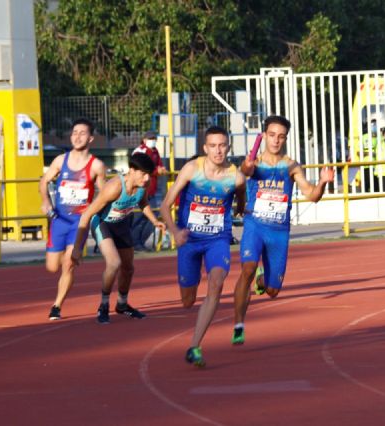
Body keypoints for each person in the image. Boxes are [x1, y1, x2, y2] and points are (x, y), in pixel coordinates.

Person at [231, 115, 335, 345]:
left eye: (281, 137)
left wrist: (323, 182)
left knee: (272, 291)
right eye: (272, 135)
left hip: (278, 231)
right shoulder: (254, 163)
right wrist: (245, 168)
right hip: (255, 225)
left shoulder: (291, 166)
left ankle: (262, 280)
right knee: (247, 269)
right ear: (264, 135)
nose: (276, 141)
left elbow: (312, 196)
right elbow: (244, 172)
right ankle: (239, 324)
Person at [160, 126, 246, 367]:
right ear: (205, 148)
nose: (218, 151)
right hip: (188, 240)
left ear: (228, 146)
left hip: (217, 240)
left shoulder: (236, 176)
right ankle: (191, 281)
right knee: (187, 300)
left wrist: (240, 207)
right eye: (213, 146)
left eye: (222, 145)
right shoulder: (192, 169)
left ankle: (195, 346)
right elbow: (165, 205)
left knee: (217, 283)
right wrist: (175, 231)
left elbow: (241, 196)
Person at [70, 153, 165, 323]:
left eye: (148, 174)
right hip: (102, 224)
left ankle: (122, 304)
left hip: (121, 224)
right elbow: (87, 215)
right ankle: (104, 305)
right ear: (131, 170)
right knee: (114, 263)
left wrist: (155, 220)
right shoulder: (114, 187)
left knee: (128, 268)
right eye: (143, 174)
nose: (146, 178)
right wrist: (77, 247)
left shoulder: (144, 184)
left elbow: (142, 203)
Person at [39, 118, 106, 320]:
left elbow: (104, 194)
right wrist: (46, 202)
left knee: (68, 263)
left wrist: (101, 213)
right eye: (74, 132)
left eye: (82, 133)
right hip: (59, 220)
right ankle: (72, 254)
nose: (77, 136)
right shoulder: (60, 160)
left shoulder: (97, 166)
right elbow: (44, 181)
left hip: (80, 221)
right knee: (52, 267)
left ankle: (56, 306)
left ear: (91, 138)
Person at [131, 131, 167, 251]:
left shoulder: (155, 151)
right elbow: (140, 168)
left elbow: (159, 165)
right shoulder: (139, 151)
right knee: (139, 217)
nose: (153, 140)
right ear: (144, 139)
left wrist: (160, 169)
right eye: (150, 138)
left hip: (152, 189)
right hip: (140, 189)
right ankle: (134, 242)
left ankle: (140, 242)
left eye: (154, 138)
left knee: (153, 217)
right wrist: (157, 171)